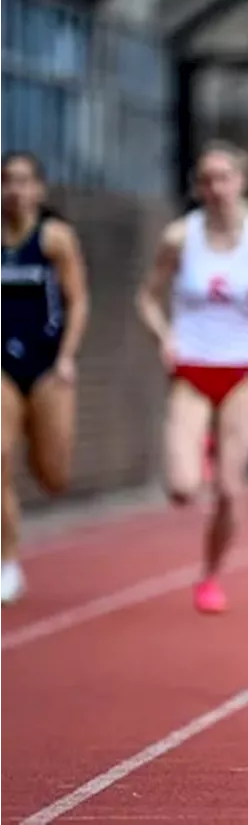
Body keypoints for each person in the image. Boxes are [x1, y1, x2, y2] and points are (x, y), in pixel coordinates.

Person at [135, 140, 248, 614]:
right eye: (207, 179)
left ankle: (211, 575)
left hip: (243, 369)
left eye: (225, 178)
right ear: (197, 186)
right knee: (182, 488)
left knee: (228, 489)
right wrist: (165, 336)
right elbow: (146, 296)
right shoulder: (181, 238)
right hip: (192, 367)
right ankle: (199, 445)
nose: (216, 188)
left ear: (241, 182)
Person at [0, 151, 90, 605]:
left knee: (53, 475)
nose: (14, 191)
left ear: (39, 189)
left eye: (23, 182)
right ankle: (7, 562)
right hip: (2, 366)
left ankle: (40, 452)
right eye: (6, 181)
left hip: (47, 364)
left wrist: (68, 357)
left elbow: (77, 300)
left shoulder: (54, 239)